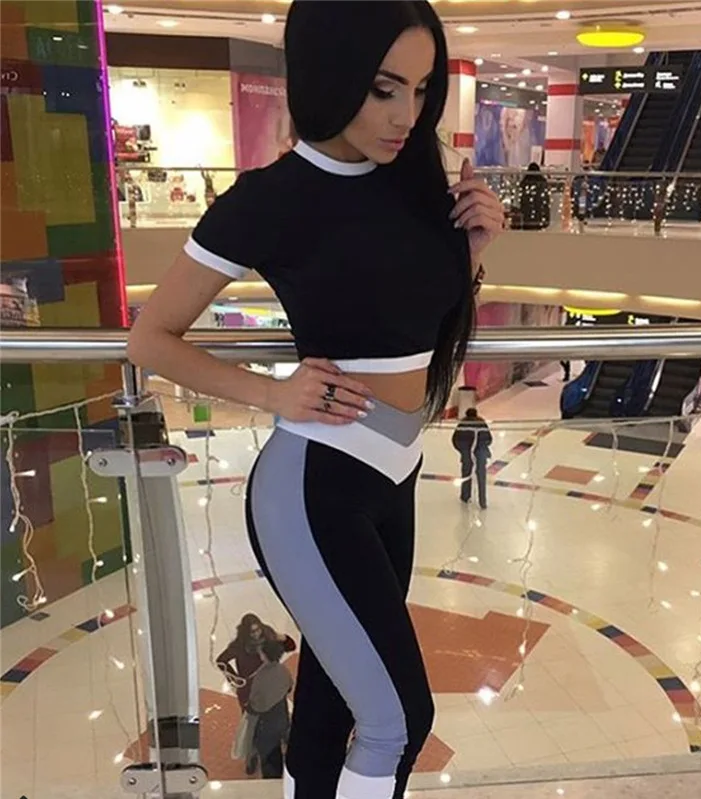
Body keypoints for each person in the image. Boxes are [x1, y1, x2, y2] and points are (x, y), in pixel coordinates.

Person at [126, 3, 504, 798]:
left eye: (421, 91)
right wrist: (272, 391)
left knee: (331, 704)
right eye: (384, 89)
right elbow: (150, 337)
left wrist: (470, 251)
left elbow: (414, 323)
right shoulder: (271, 198)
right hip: (313, 489)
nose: (406, 115)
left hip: (395, 475)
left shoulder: (414, 184)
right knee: (398, 717)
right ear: (330, 76)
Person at [216, 614, 297, 775]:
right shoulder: (239, 646)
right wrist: (235, 678)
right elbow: (221, 661)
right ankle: (252, 754)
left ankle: (279, 741)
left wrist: (282, 637)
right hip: (250, 691)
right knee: (252, 726)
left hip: (271, 685)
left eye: (258, 630)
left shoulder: (268, 635)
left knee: (276, 716)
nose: (256, 634)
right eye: (252, 632)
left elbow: (289, 646)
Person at [452, 408, 493, 510]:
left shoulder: (463, 424)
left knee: (466, 474)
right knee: (481, 477)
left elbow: (455, 440)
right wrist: (482, 447)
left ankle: (465, 496)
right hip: (480, 454)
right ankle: (482, 501)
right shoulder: (481, 423)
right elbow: (489, 439)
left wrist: (463, 451)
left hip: (467, 455)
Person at [519, 162, 550, 230]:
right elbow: (546, 200)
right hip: (539, 214)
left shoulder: (524, 182)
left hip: (527, 216)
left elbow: (522, 200)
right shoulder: (543, 183)